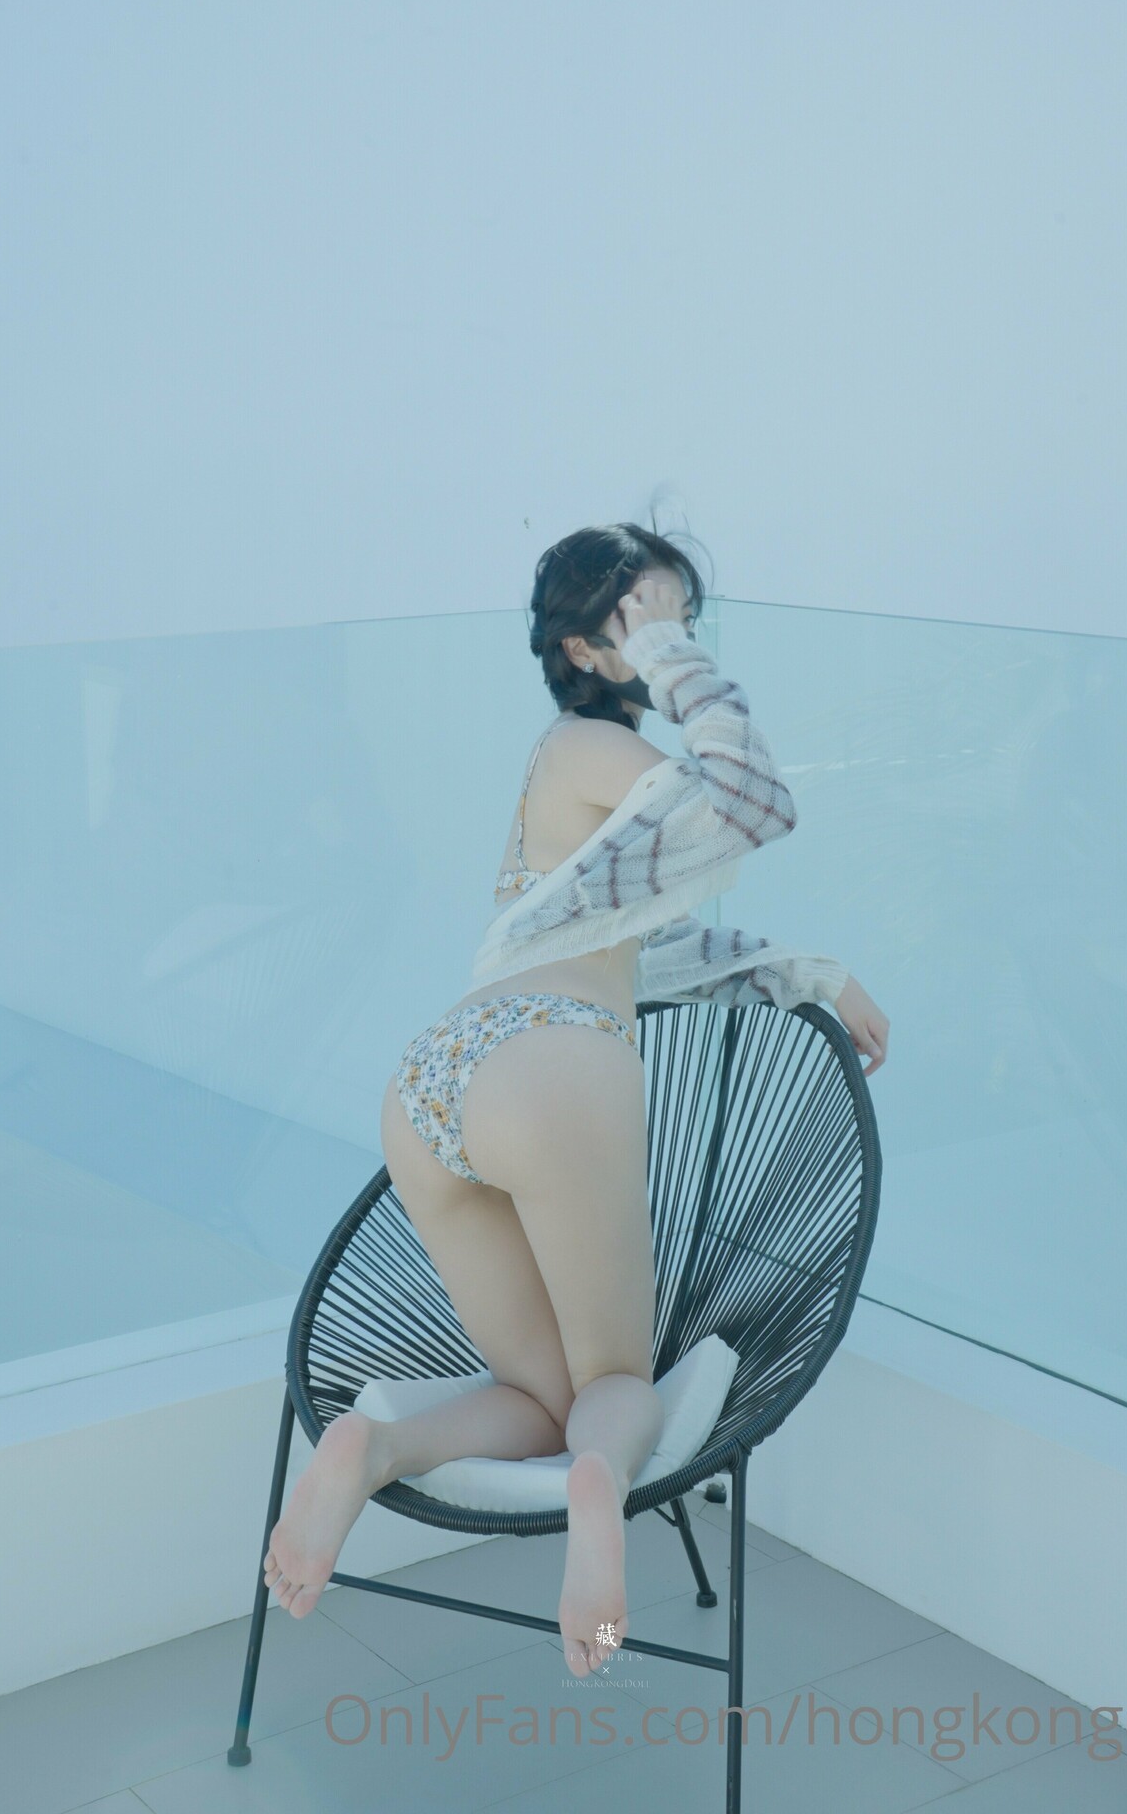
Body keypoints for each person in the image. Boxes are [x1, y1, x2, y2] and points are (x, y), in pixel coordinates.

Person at [261, 523, 889, 1676]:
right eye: (642, 619)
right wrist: (675, 657)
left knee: (539, 1398)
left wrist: (808, 972)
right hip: (548, 1067)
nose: (669, 638)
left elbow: (637, 949)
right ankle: (600, 1482)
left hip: (440, 1079)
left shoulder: (572, 774)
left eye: (680, 617)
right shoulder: (590, 744)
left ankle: (373, 1448)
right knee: (610, 1385)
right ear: (584, 650)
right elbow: (756, 800)